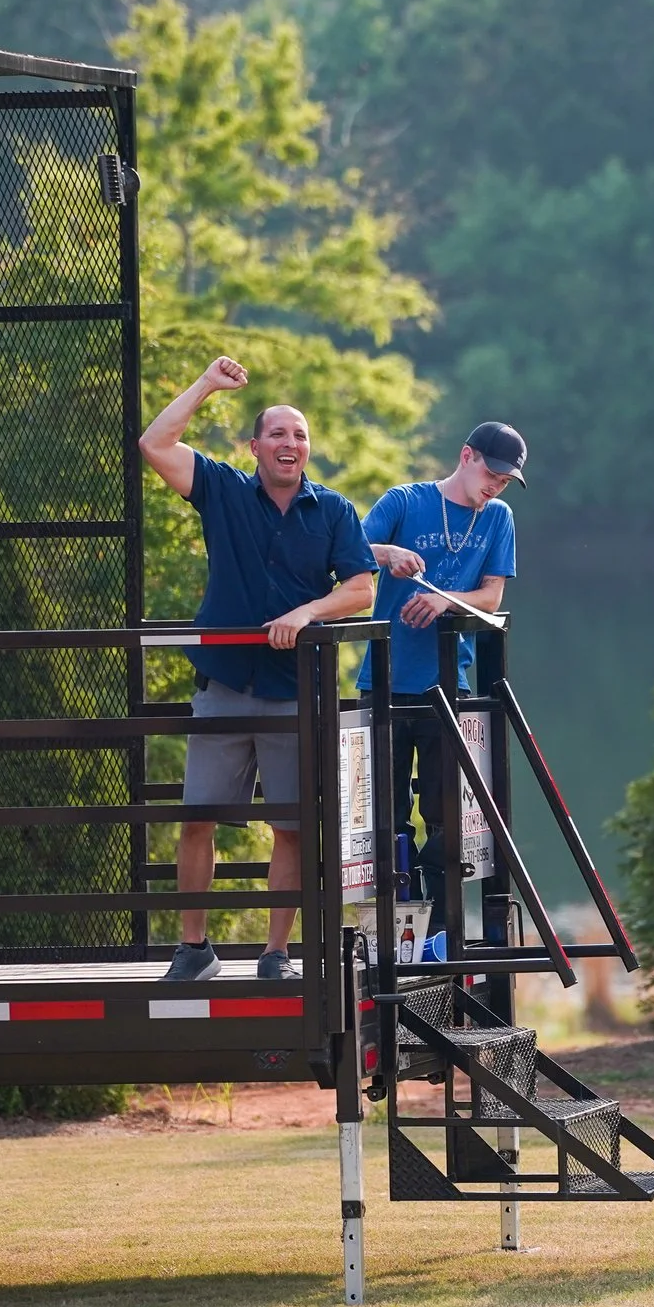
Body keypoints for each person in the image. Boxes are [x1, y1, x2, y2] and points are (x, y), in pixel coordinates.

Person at [137, 356, 375, 982]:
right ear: (256, 446)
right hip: (223, 686)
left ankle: (276, 955)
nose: (289, 443)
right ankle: (195, 949)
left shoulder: (333, 512)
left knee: (291, 828)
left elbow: (360, 590)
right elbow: (154, 443)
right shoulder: (222, 489)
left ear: (307, 449)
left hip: (294, 690)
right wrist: (207, 385)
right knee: (197, 819)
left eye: (299, 435)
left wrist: (307, 612)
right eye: (277, 433)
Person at [357, 423, 523, 894]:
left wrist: (445, 600)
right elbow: (344, 555)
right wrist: (388, 553)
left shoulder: (498, 517)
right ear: (466, 456)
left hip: (450, 684)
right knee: (385, 817)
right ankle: (392, 928)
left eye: (505, 480)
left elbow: (491, 597)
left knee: (447, 815)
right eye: (491, 473)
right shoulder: (404, 501)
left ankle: (440, 931)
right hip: (386, 679)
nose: (495, 486)